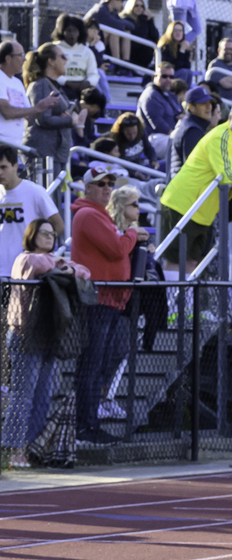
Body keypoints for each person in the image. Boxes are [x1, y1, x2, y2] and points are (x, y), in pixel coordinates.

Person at [4, 218, 88, 467]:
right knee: (23, 395)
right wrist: (65, 265)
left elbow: (84, 271)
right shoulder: (26, 258)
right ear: (32, 235)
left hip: (48, 336)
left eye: (53, 234)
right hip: (24, 336)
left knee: (43, 396)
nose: (50, 238)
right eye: (44, 234)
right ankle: (14, 450)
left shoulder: (54, 260)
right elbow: (40, 266)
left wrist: (67, 267)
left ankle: (32, 447)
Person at [159, 97, 232, 276]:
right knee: (176, 261)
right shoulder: (221, 137)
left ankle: (184, 304)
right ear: (230, 119)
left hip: (203, 212)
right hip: (183, 205)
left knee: (192, 262)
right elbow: (226, 176)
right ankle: (171, 304)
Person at [67, 164, 135, 443]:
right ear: (87, 188)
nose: (107, 188)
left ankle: (89, 424)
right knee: (92, 364)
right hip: (96, 300)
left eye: (110, 183)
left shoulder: (99, 215)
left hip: (108, 300)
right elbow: (117, 249)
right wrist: (131, 232)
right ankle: (85, 426)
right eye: (101, 183)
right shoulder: (87, 214)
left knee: (99, 363)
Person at [22, 45, 74, 184]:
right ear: (51, 61)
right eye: (63, 56)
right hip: (44, 154)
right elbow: (43, 119)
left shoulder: (53, 85)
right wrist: (70, 121)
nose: (66, 60)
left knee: (54, 201)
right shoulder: (41, 85)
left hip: (56, 154)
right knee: (46, 200)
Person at [0, 144, 62, 262]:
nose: (0, 172)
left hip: (27, 267)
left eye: (4, 167)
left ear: (15, 166)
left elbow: (58, 225)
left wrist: (39, 250)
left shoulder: (35, 191)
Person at [0, 41, 63, 155]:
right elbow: (7, 112)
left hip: (15, 146)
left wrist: (46, 105)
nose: (24, 59)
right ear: (8, 58)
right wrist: (37, 108)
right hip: (2, 144)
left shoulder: (17, 83)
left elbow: (29, 116)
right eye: (21, 55)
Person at [169, 84, 216, 177]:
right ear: (191, 107)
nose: (208, 107)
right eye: (203, 103)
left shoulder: (192, 125)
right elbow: (194, 170)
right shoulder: (192, 131)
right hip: (184, 188)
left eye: (209, 102)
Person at [138, 61, 182, 144]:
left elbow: (180, 112)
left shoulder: (170, 95)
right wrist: (176, 136)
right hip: (153, 138)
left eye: (171, 77)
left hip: (169, 137)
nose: (168, 80)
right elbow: (158, 124)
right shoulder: (150, 95)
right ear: (155, 76)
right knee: (179, 144)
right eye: (164, 76)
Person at [123, 0, 160, 70]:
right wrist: (143, 19)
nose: (139, 8)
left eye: (142, 6)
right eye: (136, 5)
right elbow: (141, 35)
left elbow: (155, 37)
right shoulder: (126, 19)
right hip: (131, 51)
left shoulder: (144, 20)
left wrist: (150, 21)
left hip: (143, 55)